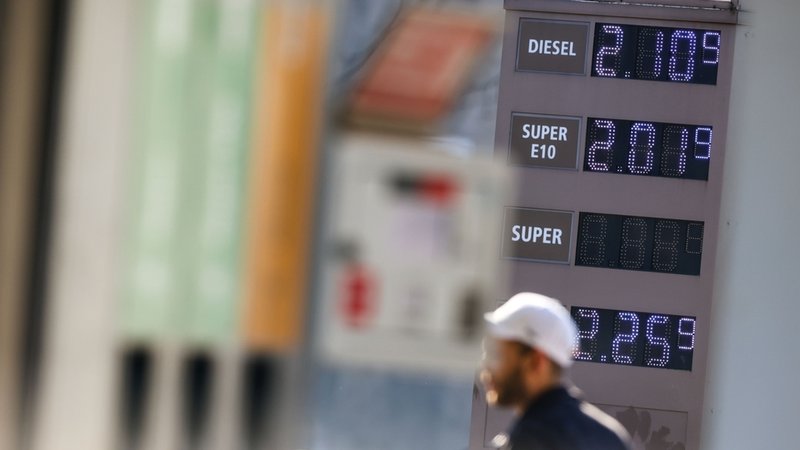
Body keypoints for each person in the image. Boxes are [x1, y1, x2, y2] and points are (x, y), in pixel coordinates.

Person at [480, 292, 632, 450]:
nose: (485, 366)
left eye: (496, 355)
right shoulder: (611, 436)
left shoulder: (529, 439)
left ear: (536, 361)